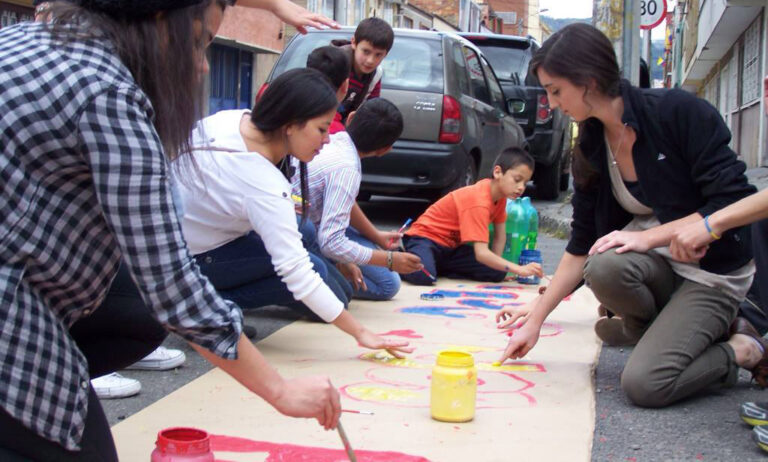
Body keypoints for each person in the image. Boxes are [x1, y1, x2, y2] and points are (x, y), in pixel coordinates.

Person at [0, 1, 341, 460]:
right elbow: (172, 285)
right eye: (199, 43)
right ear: (158, 22)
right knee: (85, 444)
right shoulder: (109, 95)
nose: (202, 66)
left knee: (137, 308)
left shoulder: (22, 39)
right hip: (10, 310)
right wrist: (279, 389)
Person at [495, 23, 762, 408]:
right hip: (660, 269)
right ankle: (655, 329)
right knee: (602, 265)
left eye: (556, 91)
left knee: (645, 385)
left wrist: (647, 238)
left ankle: (742, 348)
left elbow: (731, 203)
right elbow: (581, 245)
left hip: (712, 273)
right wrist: (535, 320)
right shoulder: (590, 142)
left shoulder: (678, 113)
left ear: (587, 81)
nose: (552, 104)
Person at [178, 68, 413, 357]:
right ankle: (202, 312)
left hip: (186, 242)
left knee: (310, 241)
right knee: (314, 271)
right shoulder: (262, 181)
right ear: (290, 123)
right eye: (322, 129)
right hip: (194, 260)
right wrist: (362, 333)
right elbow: (297, 272)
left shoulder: (235, 119)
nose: (327, 139)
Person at [292, 98, 423, 300]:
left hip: (308, 223)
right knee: (386, 285)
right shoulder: (346, 169)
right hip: (299, 233)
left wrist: (375, 237)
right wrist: (388, 260)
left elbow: (342, 205)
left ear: (351, 118)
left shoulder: (333, 140)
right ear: (385, 149)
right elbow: (332, 242)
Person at [401, 148, 544, 286]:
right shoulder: (479, 201)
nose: (521, 187)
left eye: (525, 183)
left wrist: (498, 268)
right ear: (497, 172)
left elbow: (500, 237)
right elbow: (481, 253)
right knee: (425, 276)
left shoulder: (500, 198)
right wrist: (518, 269)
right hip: (425, 239)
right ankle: (400, 257)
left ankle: (431, 264)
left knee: (497, 273)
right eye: (517, 180)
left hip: (451, 248)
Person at [331, 17, 393, 127]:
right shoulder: (334, 63)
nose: (370, 60)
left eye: (378, 55)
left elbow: (370, 110)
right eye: (366, 51)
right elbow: (319, 106)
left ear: (386, 54)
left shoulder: (376, 75)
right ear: (354, 43)